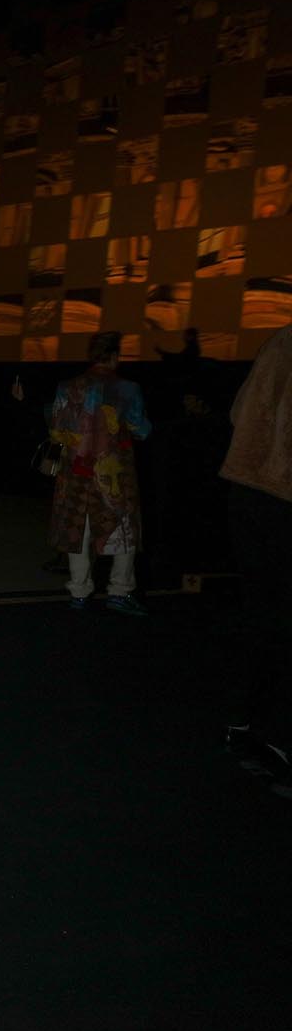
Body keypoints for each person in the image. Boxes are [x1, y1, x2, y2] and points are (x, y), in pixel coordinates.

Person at [217, 323, 292, 772]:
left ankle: (247, 723)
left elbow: (238, 412)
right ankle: (282, 738)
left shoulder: (280, 339)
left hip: (246, 491)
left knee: (262, 613)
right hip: (285, 495)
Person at [46, 330, 153, 613]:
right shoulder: (128, 388)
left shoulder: (67, 387)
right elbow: (141, 429)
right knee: (124, 527)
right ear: (115, 356)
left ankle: (79, 591)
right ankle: (119, 590)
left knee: (78, 528)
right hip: (114, 469)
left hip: (76, 470)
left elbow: (56, 430)